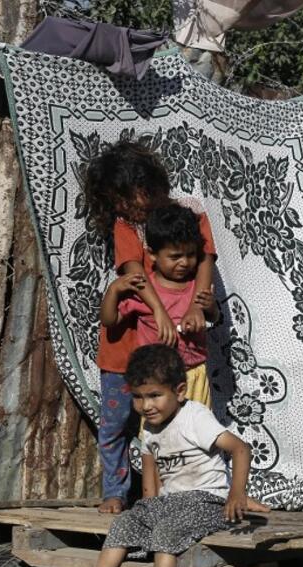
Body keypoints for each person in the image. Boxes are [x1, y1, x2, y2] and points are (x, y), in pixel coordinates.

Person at [58, 345, 268, 567]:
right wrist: (146, 510)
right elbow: (150, 474)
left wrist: (236, 494)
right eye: (138, 397)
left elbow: (240, 449)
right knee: (125, 522)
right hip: (170, 502)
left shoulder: (195, 417)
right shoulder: (149, 427)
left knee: (167, 530)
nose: (146, 405)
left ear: (179, 391)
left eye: (155, 395)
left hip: (206, 500)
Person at [84, 141, 219, 515]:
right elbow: (134, 274)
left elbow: (205, 262)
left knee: (177, 423)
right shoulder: (127, 226)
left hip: (169, 347)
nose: (128, 206)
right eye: (118, 201)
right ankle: (116, 492)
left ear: (152, 183)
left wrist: (195, 305)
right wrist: (158, 310)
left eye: (132, 195)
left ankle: (181, 494)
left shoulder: (191, 214)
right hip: (125, 343)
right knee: (115, 424)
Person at [100, 203, 219, 408]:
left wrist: (209, 307)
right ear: (152, 254)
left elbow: (214, 317)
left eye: (190, 255)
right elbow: (109, 320)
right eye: (175, 257)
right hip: (154, 381)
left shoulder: (196, 289)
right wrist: (113, 291)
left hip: (193, 376)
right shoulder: (145, 292)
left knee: (197, 426)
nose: (184, 263)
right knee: (157, 427)